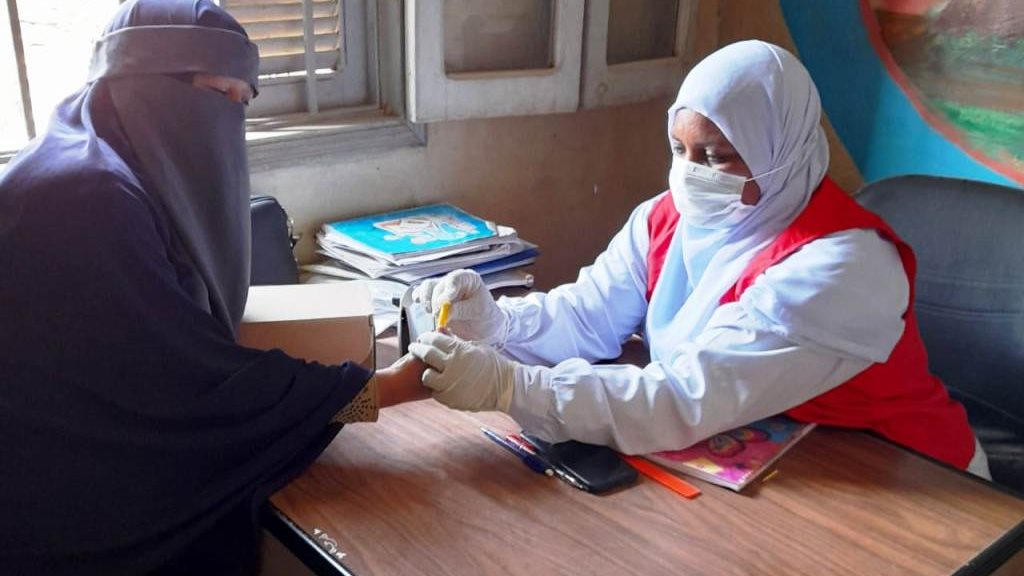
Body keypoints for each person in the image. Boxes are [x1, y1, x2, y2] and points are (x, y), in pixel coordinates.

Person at [411, 40, 990, 479]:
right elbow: (588, 315)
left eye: (716, 157)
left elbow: (684, 396)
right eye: (679, 149)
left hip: (908, 480)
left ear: (782, 151)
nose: (688, 175)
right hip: (782, 451)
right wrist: (499, 326)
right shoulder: (667, 219)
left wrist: (512, 387)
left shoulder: (842, 266)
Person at [0, 1, 428, 574]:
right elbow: (187, 391)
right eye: (217, 94)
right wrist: (387, 388)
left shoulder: (93, 156)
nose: (228, 121)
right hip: (66, 527)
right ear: (143, 81)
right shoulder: (86, 198)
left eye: (241, 103)